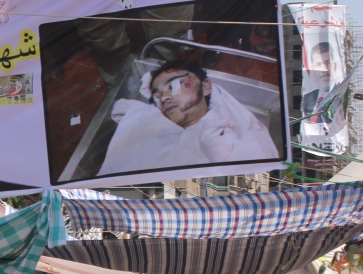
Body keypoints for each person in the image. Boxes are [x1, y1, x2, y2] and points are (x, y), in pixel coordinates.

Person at [98, 59, 277, 175]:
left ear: (206, 87)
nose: (165, 98)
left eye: (174, 86)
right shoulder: (150, 129)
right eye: (158, 96)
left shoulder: (231, 136)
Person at [301, 41, 338, 123]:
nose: (324, 69)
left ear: (335, 66)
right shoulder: (307, 99)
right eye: (318, 64)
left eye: (328, 63)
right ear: (312, 69)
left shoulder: (342, 97)